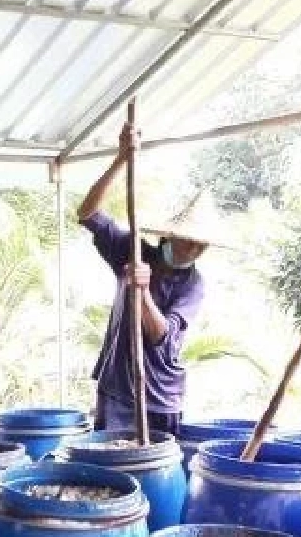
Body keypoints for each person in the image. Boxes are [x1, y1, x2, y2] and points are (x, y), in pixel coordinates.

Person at [77, 123, 217, 435]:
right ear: (171, 235)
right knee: (115, 470)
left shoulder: (193, 284)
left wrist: (141, 291)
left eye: (202, 244)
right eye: (190, 239)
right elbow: (88, 214)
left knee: (155, 469)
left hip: (161, 397)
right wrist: (121, 159)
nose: (195, 249)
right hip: (117, 387)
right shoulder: (133, 250)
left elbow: (162, 338)